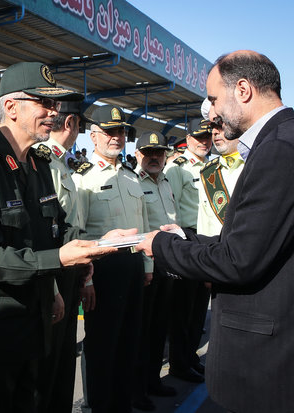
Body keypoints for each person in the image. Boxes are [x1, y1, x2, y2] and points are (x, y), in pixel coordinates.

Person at [137, 50, 294, 412]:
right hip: (280, 352)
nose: (210, 113)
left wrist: (160, 245)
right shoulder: (287, 140)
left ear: (242, 89)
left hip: (273, 363)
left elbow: (238, 261)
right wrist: (187, 239)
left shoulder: (280, 150)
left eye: (212, 99)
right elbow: (255, 242)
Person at [0, 62, 125, 413]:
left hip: (30, 323)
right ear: (11, 108)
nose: (54, 113)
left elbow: (55, 228)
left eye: (54, 105)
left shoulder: (37, 165)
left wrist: (97, 244)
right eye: (44, 102)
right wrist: (59, 260)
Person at [72, 104, 152, 413]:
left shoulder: (132, 176)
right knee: (102, 344)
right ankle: (99, 404)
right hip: (102, 269)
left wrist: (147, 266)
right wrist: (87, 279)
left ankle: (122, 403)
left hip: (132, 266)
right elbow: (77, 232)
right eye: (109, 132)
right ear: (93, 136)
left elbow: (143, 226)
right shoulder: (82, 178)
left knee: (129, 340)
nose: (116, 137)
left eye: (120, 132)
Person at [34, 99, 87, 413]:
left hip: (71, 268)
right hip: (54, 269)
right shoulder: (44, 162)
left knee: (65, 356)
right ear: (72, 125)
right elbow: (45, 227)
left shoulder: (61, 161)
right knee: (49, 361)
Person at [163, 118, 213, 383]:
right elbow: (170, 207)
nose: (204, 142)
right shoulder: (177, 168)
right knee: (183, 308)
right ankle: (179, 364)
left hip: (205, 239)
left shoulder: (209, 166)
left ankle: (190, 358)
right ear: (188, 138)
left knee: (197, 307)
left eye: (207, 137)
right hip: (186, 237)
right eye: (199, 138)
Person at [131, 131, 177, 411]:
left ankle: (153, 381)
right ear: (138, 155)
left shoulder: (166, 182)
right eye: (148, 153)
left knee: (160, 327)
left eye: (159, 152)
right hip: (146, 266)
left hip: (167, 263)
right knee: (142, 331)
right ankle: (137, 390)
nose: (154, 157)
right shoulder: (134, 182)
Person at [197, 101, 244, 237]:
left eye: (221, 126)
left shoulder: (255, 163)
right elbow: (203, 226)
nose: (215, 132)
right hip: (216, 254)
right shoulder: (207, 172)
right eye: (212, 127)